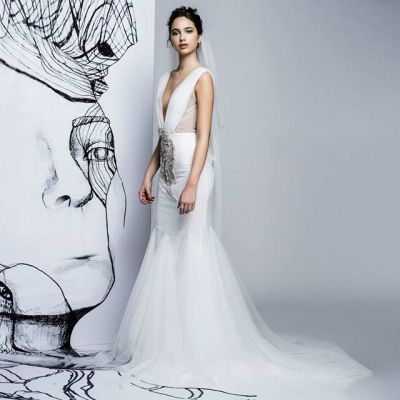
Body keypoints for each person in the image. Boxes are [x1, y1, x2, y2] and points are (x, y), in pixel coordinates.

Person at [76, 6, 373, 393]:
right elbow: (163, 136)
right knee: (165, 249)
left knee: (192, 251)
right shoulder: (165, 78)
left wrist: (193, 184)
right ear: (169, 39)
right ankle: (167, 345)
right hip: (167, 174)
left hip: (192, 172)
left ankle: (199, 349)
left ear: (199, 36)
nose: (182, 37)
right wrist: (148, 174)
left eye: (188, 31)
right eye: (176, 32)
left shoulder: (203, 78)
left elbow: (203, 136)